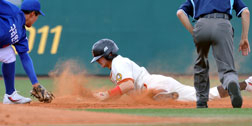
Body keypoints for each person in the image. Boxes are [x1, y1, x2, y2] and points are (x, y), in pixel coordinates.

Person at [91, 39, 252, 103]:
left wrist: (107, 94)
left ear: (108, 54)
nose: (98, 62)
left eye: (99, 58)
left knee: (152, 93)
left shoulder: (119, 62)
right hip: (159, 81)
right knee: (206, 95)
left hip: (152, 84)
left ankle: (160, 95)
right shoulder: (116, 66)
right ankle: (246, 84)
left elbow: (127, 86)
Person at [176, 0, 250, 108]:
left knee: (201, 65)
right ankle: (231, 83)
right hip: (223, 25)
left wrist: (194, 32)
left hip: (202, 25)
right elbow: (245, 12)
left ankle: (202, 101)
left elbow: (180, 13)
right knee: (227, 67)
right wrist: (244, 38)